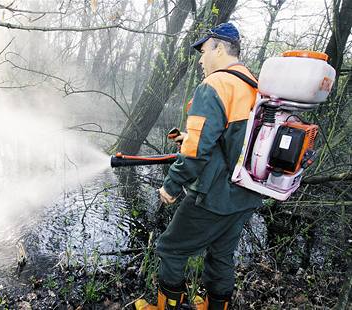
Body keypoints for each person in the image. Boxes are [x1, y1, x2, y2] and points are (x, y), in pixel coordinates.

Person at [135, 23, 262, 310]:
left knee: (170, 249)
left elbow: (196, 151)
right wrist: (188, 138)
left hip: (214, 195)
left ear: (219, 48)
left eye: (204, 51)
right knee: (221, 255)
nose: (201, 59)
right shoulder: (252, 85)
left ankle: (168, 306)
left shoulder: (216, 84)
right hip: (246, 194)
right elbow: (230, 140)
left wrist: (171, 184)